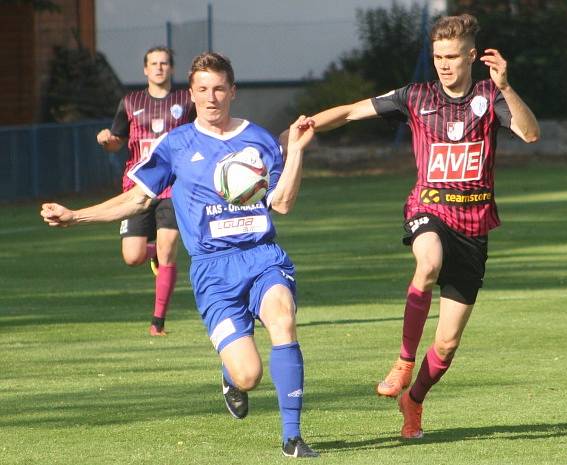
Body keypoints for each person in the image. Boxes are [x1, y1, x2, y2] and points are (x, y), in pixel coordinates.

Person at [42, 52, 319, 458]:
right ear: (191, 94)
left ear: (233, 91)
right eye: (203, 90)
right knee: (249, 375)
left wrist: (295, 151)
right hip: (213, 271)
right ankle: (231, 374)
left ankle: (292, 437)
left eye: (219, 88)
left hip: (262, 256)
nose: (211, 98)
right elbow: (138, 199)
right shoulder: (175, 144)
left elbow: (283, 204)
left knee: (282, 316)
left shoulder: (259, 139)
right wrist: (77, 216)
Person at [299, 13, 539, 439]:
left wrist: (505, 87)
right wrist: (307, 127)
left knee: (447, 345)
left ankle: (415, 398)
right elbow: (355, 111)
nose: (444, 64)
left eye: (451, 56)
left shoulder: (489, 95)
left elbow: (530, 133)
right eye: (437, 56)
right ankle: (403, 362)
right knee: (427, 263)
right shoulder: (416, 95)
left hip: (473, 225)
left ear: (471, 55)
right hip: (428, 207)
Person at [96, 46, 195, 336]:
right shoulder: (130, 102)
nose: (159, 68)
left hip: (173, 186)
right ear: (145, 69)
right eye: (154, 63)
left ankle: (157, 322)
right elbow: (117, 141)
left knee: (168, 249)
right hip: (137, 187)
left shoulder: (186, 101)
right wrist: (106, 140)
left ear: (172, 69)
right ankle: (150, 251)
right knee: (132, 257)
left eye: (164, 63)